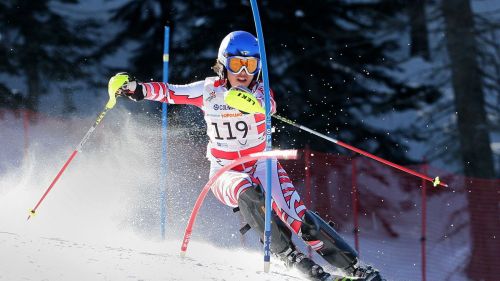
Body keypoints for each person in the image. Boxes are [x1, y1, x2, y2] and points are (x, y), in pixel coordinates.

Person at [108, 30, 384, 281]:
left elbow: (269, 105)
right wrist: (135, 88)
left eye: (250, 65)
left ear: (258, 67)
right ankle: (288, 255)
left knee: (298, 216)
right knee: (248, 194)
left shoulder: (262, 92)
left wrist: (254, 106)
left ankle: (354, 268)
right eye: (236, 64)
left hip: (263, 164)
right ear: (223, 64)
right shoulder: (207, 91)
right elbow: (171, 92)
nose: (242, 72)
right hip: (225, 171)